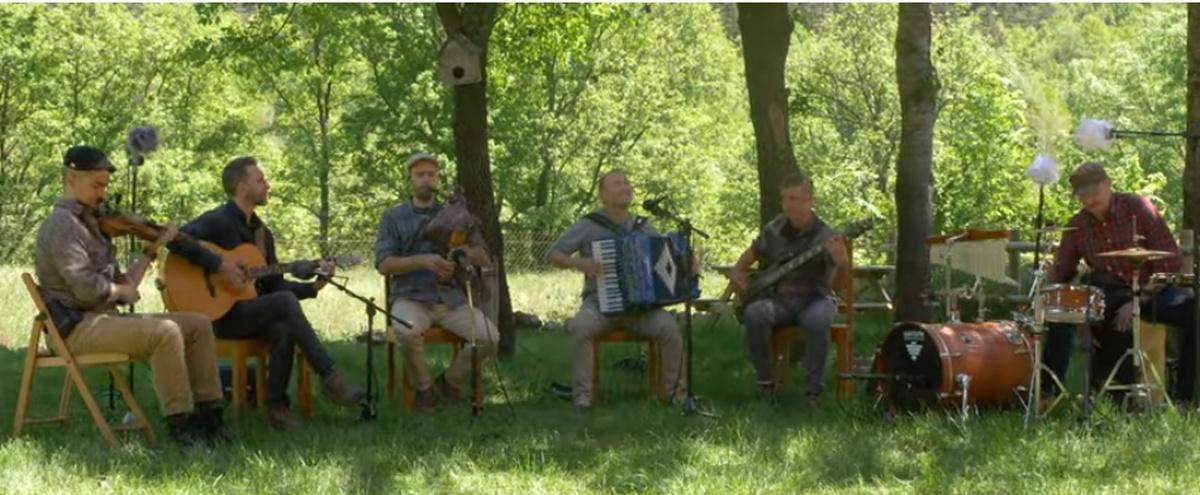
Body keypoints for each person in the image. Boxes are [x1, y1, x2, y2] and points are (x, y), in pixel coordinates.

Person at [35, 145, 230, 446]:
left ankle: (211, 419)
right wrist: (120, 291)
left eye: (105, 186)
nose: (103, 194)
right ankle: (181, 427)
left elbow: (126, 288)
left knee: (198, 324)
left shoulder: (94, 224)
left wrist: (152, 250)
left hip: (105, 320)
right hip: (77, 327)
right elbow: (87, 291)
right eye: (96, 185)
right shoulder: (62, 225)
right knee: (164, 332)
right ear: (70, 180)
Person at [168, 156, 364, 430]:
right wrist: (220, 265)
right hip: (213, 316)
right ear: (241, 186)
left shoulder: (263, 234)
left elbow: (275, 288)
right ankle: (329, 375)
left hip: (246, 312)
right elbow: (175, 241)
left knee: (283, 327)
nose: (267, 185)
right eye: (260, 180)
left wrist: (312, 287)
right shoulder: (217, 221)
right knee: (283, 307)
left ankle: (277, 407)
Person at [1041, 162, 1196, 404]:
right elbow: (1063, 272)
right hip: (1110, 294)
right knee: (1060, 314)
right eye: (1083, 195)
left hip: (1152, 291)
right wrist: (1048, 285)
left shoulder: (1138, 208)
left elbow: (1170, 260)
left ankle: (1186, 395)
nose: (1090, 200)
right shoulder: (1077, 226)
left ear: (1108, 183)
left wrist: (1138, 300)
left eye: (1094, 192)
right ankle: (1048, 394)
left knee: (1194, 309)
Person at [547, 169, 687, 414]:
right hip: (599, 304)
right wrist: (580, 263)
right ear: (602, 195)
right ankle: (583, 399)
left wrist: (686, 264)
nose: (625, 187)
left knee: (669, 328)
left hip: (641, 309)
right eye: (617, 184)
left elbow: (666, 258)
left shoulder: (644, 227)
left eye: (626, 183)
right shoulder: (589, 225)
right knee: (581, 326)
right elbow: (553, 254)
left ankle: (678, 396)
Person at [375, 153, 498, 412]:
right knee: (406, 331)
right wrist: (423, 261)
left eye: (431, 174)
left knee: (490, 337)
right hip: (411, 296)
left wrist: (463, 252)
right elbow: (384, 264)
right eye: (420, 175)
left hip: (451, 299)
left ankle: (449, 382)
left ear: (437, 178)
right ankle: (424, 390)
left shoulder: (455, 214)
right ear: (410, 179)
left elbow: (485, 257)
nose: (426, 179)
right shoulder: (393, 217)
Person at [728, 172, 849, 405]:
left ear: (810, 200)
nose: (788, 205)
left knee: (818, 320)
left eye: (795, 199)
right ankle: (766, 386)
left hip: (814, 298)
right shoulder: (773, 230)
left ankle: (812, 393)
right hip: (778, 300)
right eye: (785, 199)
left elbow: (838, 286)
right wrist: (737, 272)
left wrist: (842, 263)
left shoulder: (827, 236)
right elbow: (747, 258)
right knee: (755, 314)